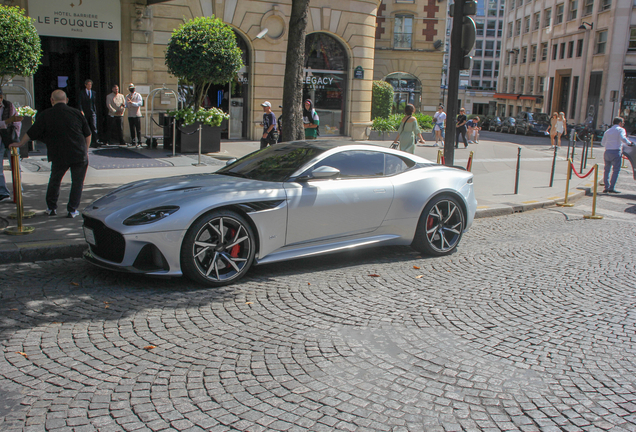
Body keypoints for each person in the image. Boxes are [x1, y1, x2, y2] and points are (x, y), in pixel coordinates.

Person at [10, 90, 91, 218]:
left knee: (55, 180)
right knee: (77, 182)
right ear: (67, 100)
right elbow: (88, 134)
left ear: (52, 100)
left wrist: (20, 144)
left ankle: (51, 207)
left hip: (59, 154)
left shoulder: (46, 114)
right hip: (78, 153)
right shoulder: (77, 113)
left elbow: (31, 132)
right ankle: (72, 209)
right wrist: (85, 151)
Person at [601, 117, 634, 194]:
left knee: (607, 170)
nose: (623, 124)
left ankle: (606, 187)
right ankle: (611, 188)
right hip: (616, 151)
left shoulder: (607, 131)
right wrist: (630, 143)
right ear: (620, 123)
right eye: (623, 123)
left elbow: (602, 143)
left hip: (607, 151)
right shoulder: (621, 130)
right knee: (616, 170)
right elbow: (623, 138)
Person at [0, 89, 22, 202]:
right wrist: (8, 121)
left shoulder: (9, 105)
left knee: (15, 164)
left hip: (10, 138)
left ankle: (18, 189)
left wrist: (15, 138)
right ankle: (3, 193)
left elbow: (17, 123)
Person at [79, 79, 99, 148]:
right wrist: (81, 110)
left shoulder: (93, 93)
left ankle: (95, 141)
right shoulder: (82, 93)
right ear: (85, 85)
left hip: (92, 112)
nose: (90, 86)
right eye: (89, 84)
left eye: (91, 85)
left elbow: (95, 103)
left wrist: (95, 110)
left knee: (94, 126)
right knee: (85, 127)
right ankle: (86, 142)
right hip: (85, 112)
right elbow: (80, 103)